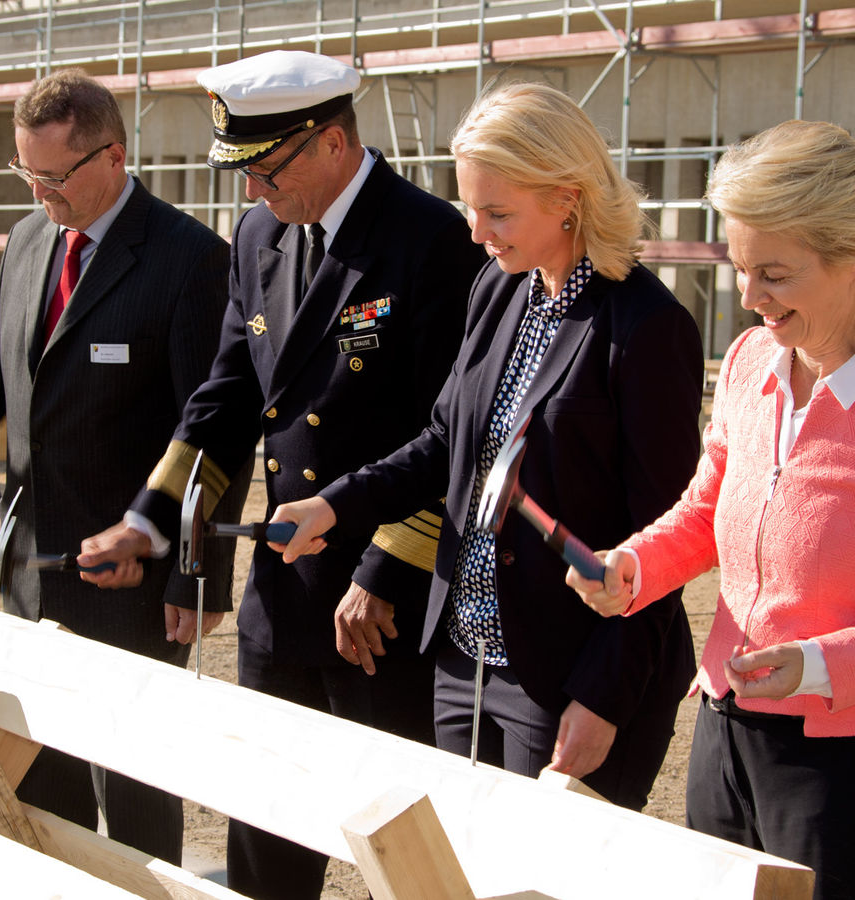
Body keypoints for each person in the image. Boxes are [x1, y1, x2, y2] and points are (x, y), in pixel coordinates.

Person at [564, 120, 855, 900]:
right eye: (740, 268)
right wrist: (634, 565)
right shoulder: (746, 363)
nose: (748, 297)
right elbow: (705, 510)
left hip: (851, 770)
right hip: (723, 732)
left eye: (773, 273)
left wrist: (822, 664)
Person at [77, 50, 486, 900]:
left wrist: (382, 573)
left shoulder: (431, 239)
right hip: (285, 586)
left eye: (265, 171)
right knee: (266, 831)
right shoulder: (261, 234)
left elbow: (451, 432)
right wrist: (150, 518)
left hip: (381, 598)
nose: (252, 194)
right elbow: (227, 394)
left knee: (398, 844)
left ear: (332, 144)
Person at [268, 83, 702, 808]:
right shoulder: (499, 289)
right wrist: (334, 506)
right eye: (469, 205)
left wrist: (602, 698)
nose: (474, 231)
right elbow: (445, 441)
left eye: (497, 212)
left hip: (565, 674)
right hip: (462, 657)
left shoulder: (647, 326)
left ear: (568, 198)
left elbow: (663, 540)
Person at [0, 69, 240, 865]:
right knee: (41, 779)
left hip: (133, 581)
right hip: (32, 567)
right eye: (25, 172)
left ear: (112, 156)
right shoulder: (30, 239)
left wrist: (196, 574)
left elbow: (213, 428)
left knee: (134, 792)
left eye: (55, 175)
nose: (40, 192)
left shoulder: (189, 260)